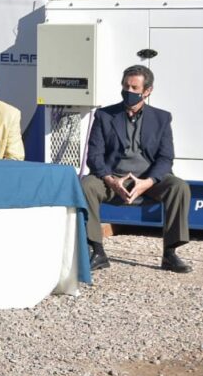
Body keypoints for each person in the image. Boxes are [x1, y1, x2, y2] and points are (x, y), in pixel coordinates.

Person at [81, 65, 191, 273]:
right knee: (87, 185)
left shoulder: (162, 118)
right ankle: (97, 251)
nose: (128, 92)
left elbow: (166, 158)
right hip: (113, 179)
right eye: (125, 86)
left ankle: (170, 253)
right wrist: (110, 179)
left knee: (179, 187)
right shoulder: (104, 115)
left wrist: (147, 182)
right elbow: (94, 156)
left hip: (147, 180)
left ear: (147, 91)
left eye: (134, 87)